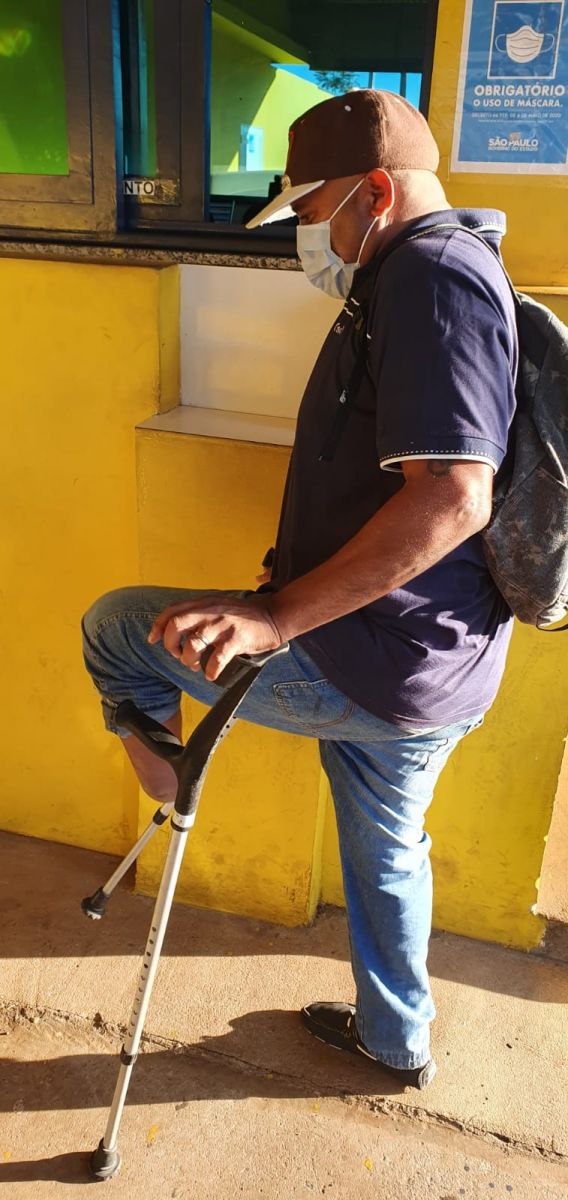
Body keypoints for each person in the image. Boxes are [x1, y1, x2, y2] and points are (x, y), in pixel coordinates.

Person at [82, 90, 517, 1091]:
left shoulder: (432, 281)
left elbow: (454, 497)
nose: (308, 236)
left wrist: (277, 614)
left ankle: (168, 779)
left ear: (375, 193)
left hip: (370, 658)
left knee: (114, 628)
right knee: (388, 850)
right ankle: (396, 1040)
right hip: (430, 662)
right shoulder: (425, 271)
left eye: (313, 212)